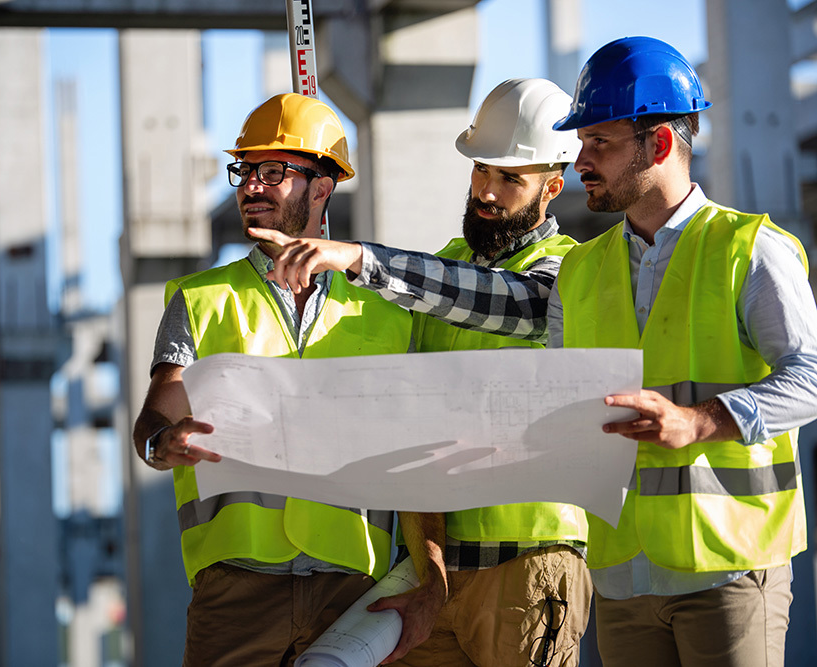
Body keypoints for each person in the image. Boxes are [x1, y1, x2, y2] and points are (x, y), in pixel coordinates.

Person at [250, 78, 594, 667]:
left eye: (510, 179)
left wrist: (359, 259)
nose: (486, 191)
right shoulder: (444, 271)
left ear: (553, 187)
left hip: (529, 565)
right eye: (481, 170)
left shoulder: (571, 270)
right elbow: (414, 432)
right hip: (434, 571)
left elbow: (509, 303)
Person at [547, 36, 817, 666]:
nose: (579, 163)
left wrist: (699, 421)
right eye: (580, 145)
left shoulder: (749, 250)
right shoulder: (579, 272)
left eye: (599, 144)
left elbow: (812, 378)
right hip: (619, 578)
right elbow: (561, 404)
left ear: (660, 144)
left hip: (729, 571)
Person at [131, 92, 425, 667]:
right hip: (235, 587)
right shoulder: (200, 299)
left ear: (322, 188)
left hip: (352, 587)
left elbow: (415, 458)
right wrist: (161, 445)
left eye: (272, 172)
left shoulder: (387, 313)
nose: (249, 187)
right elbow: (153, 423)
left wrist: (429, 576)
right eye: (244, 171)